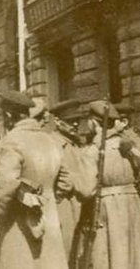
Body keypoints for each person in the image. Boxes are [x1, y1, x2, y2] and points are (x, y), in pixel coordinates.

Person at [80, 100, 140, 269]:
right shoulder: (130, 146)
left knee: (112, 254)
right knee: (136, 254)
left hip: (107, 206)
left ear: (94, 123)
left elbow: (86, 189)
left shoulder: (93, 150)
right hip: (134, 205)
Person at [0, 90, 69, 269]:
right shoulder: (51, 140)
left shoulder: (11, 141)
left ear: (9, 115)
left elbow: (6, 184)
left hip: (19, 218)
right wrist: (48, 200)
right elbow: (66, 180)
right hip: (50, 215)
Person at [48, 99, 95, 267]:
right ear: (58, 122)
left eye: (78, 120)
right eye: (70, 121)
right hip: (63, 209)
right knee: (64, 256)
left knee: (79, 255)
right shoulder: (52, 145)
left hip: (79, 206)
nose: (75, 124)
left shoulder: (75, 143)